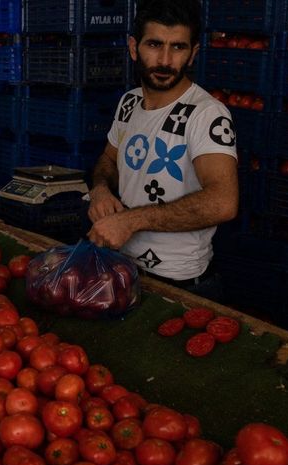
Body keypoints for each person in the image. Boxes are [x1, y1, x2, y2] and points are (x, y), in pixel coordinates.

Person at [87, 0, 238, 297]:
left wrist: (130, 220)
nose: (165, 60)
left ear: (193, 54)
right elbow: (108, 158)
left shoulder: (206, 113)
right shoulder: (129, 103)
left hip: (179, 284)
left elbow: (223, 203)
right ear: (133, 48)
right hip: (124, 269)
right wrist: (101, 189)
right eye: (154, 44)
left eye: (178, 47)